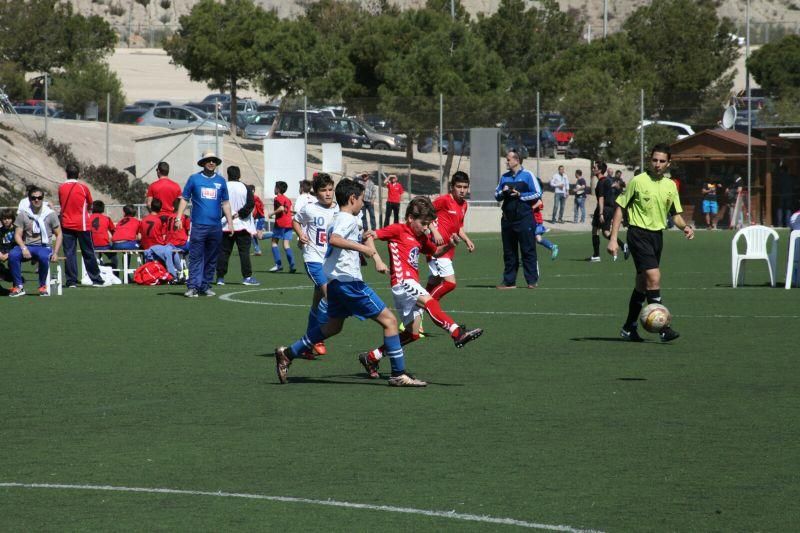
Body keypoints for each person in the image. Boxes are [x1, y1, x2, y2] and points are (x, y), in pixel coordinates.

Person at [274, 178, 427, 387]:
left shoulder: (341, 217)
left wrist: (369, 250)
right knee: (390, 322)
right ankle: (398, 374)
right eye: (362, 199)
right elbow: (335, 239)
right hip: (349, 283)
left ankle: (288, 353)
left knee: (333, 326)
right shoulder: (346, 218)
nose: (363, 203)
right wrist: (363, 249)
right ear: (353, 198)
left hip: (336, 281)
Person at [358, 197, 484, 379]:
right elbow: (369, 236)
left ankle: (371, 356)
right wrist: (377, 259)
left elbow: (435, 252)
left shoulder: (421, 237)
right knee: (430, 301)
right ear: (410, 218)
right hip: (402, 282)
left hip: (410, 285)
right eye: (423, 223)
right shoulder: (398, 229)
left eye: (428, 224)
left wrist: (450, 244)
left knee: (413, 334)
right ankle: (457, 333)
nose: (426, 227)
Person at [609, 143, 694, 343]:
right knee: (654, 277)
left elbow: (676, 215)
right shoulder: (637, 181)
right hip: (638, 234)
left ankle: (629, 327)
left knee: (642, 284)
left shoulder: (670, 186)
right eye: (654, 160)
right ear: (650, 160)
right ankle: (664, 328)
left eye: (662, 161)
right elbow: (620, 208)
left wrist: (685, 227)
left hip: (657, 237)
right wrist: (613, 239)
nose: (657, 164)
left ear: (668, 163)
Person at [174, 151, 234, 297]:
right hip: (199, 226)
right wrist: (178, 218)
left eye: (214, 160)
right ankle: (193, 287)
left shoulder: (221, 181)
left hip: (216, 227)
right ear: (203, 162)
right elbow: (184, 199)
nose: (212, 162)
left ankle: (205, 286)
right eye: (208, 160)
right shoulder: (194, 179)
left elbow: (225, 203)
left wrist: (230, 223)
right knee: (195, 257)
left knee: (212, 257)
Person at [292, 172, 338, 357]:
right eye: (323, 190)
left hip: (330, 262)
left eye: (330, 189)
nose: (328, 193)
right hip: (313, 259)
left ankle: (305, 346)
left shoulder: (339, 210)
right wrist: (300, 234)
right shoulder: (310, 208)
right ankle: (317, 339)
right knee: (329, 294)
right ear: (316, 192)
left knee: (317, 301)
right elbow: (296, 220)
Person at [425, 171, 475, 301]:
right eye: (459, 186)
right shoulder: (443, 200)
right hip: (437, 249)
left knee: (434, 280)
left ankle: (416, 313)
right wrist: (434, 231)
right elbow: (425, 214)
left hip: (449, 249)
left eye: (465, 187)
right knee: (450, 283)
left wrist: (467, 240)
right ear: (452, 187)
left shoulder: (464, 205)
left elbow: (458, 227)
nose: (462, 190)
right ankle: (428, 305)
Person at [494, 149, 541, 289]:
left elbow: (538, 193)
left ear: (517, 160)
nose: (506, 162)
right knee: (509, 252)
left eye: (508, 159)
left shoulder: (528, 175)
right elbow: (496, 195)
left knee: (528, 249)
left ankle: (532, 281)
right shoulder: (504, 177)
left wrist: (520, 194)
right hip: (508, 219)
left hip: (524, 218)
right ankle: (509, 281)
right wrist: (503, 192)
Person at [58, 163, 106, 287]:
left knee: (69, 253)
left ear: (66, 174)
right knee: (88, 252)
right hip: (83, 224)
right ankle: (96, 279)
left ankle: (71, 280)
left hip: (66, 223)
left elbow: (61, 203)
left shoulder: (61, 188)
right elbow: (90, 204)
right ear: (78, 174)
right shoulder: (83, 188)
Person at [8, 187, 63, 297]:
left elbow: (59, 234)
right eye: (33, 198)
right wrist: (23, 248)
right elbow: (17, 235)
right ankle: (19, 286)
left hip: (44, 245)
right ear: (29, 199)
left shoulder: (50, 214)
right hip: (27, 245)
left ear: (43, 199)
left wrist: (56, 252)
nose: (36, 200)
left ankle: (42, 286)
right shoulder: (23, 214)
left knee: (43, 257)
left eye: (39, 198)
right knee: (13, 254)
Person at [216, 166, 259, 286]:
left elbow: (218, 205)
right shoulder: (245, 187)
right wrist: (239, 214)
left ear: (228, 175)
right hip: (243, 225)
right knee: (244, 252)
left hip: (225, 225)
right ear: (239, 175)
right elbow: (250, 204)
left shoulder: (223, 186)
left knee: (224, 252)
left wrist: (227, 215)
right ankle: (247, 277)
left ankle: (220, 277)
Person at [588, 161, 628, 262]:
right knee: (603, 232)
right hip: (609, 208)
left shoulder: (602, 181)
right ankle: (623, 246)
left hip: (604, 208)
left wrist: (600, 213)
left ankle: (597, 255)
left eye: (594, 167)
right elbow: (616, 188)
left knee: (599, 231)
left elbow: (601, 198)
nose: (593, 169)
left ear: (600, 170)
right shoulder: (606, 180)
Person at [268, 180, 296, 273]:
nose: (274, 189)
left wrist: (271, 213)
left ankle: (278, 265)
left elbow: (281, 208)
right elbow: (289, 210)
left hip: (280, 223)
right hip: (289, 223)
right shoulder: (288, 199)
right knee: (286, 244)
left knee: (274, 242)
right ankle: (292, 265)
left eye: (275, 187)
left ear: (278, 189)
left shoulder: (277, 198)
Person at [89, 200, 117, 269]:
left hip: (91, 245)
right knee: (115, 258)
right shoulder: (107, 218)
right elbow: (114, 232)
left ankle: (98, 269)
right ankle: (115, 271)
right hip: (105, 245)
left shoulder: (88, 218)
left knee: (95, 258)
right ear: (103, 209)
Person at [1, 209, 17, 289]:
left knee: (13, 260)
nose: (6, 221)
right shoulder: (1, 230)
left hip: (13, 251)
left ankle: (16, 285)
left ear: (12, 219)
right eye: (4, 219)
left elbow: (17, 245)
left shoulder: (16, 230)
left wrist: (8, 254)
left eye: (9, 218)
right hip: (2, 252)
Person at [251, 185, 265, 256]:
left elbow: (254, 209)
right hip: (258, 218)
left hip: (258, 218)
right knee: (252, 234)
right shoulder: (256, 198)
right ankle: (257, 250)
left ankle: (275, 234)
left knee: (258, 236)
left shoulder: (254, 198)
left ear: (253, 190)